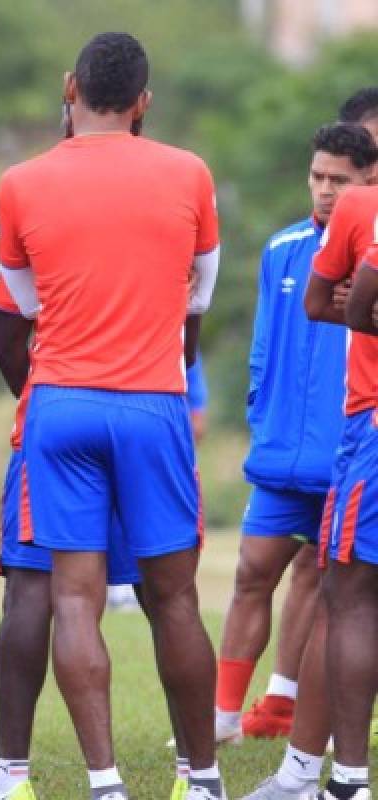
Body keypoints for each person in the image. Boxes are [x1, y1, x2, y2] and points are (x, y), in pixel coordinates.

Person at [0, 33, 222, 800]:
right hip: (154, 400)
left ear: (71, 87)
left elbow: (24, 312)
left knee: (72, 597)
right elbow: (198, 307)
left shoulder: (20, 182)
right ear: (143, 103)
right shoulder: (190, 173)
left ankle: (105, 783)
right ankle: (203, 781)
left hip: (60, 402)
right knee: (176, 599)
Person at [217, 124, 375, 749]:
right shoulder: (282, 249)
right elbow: (263, 349)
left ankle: (324, 724)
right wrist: (262, 411)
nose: (326, 190)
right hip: (281, 452)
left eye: (339, 180)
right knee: (253, 571)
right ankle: (223, 715)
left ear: (366, 182)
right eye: (318, 176)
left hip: (349, 454)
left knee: (337, 589)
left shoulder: (369, 249)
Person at [299, 125, 378, 800]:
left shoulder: (362, 208)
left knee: (350, 598)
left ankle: (348, 780)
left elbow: (324, 302)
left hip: (373, 422)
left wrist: (361, 306)